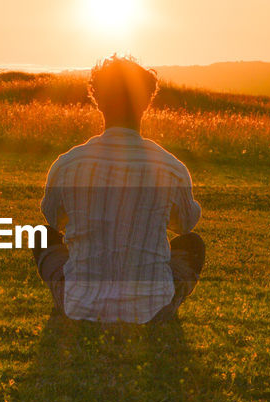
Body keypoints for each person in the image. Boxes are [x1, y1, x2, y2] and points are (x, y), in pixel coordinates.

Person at [33, 55, 205, 323]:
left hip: (79, 305)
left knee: (42, 236)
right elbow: (185, 225)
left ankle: (80, 290)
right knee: (192, 244)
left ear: (98, 101)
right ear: (146, 102)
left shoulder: (68, 164)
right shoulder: (171, 167)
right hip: (152, 309)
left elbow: (54, 220)